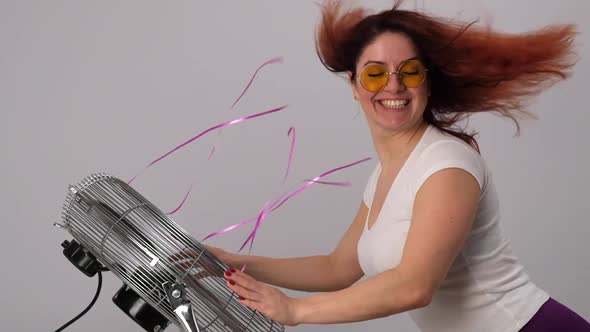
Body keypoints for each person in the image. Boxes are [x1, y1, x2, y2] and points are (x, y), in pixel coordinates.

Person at [207, 1, 590, 331]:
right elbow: (338, 268)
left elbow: (414, 286)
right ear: (354, 86)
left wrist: (295, 310)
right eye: (375, 74)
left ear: (426, 83)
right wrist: (233, 262)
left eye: (408, 72)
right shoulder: (384, 176)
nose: (393, 87)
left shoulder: (447, 165)